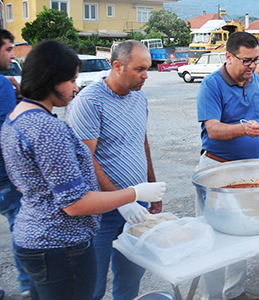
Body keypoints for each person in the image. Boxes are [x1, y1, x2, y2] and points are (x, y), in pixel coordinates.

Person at [0, 40, 165, 300]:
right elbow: (74, 203)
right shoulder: (48, 128)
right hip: (61, 242)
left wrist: (145, 188)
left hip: (36, 237)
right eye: (72, 80)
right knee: (90, 291)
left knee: (129, 276)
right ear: (50, 79)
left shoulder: (16, 119)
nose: (76, 88)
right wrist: (131, 195)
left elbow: (27, 184)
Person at [66, 40, 162, 300]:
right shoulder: (89, 102)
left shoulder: (139, 97)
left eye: (148, 69)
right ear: (117, 66)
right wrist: (121, 201)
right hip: (102, 209)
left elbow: (141, 141)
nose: (146, 76)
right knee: (92, 283)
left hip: (138, 201)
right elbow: (86, 158)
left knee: (131, 276)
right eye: (140, 69)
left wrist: (151, 187)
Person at [196, 31, 259, 300]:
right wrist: (242, 130)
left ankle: (234, 292)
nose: (251, 66)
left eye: (256, 60)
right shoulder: (211, 85)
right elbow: (212, 129)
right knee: (212, 238)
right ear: (228, 56)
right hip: (216, 169)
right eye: (246, 61)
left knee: (241, 232)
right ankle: (212, 297)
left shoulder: (256, 80)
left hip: (248, 168)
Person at [0, 29, 30, 297]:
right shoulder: (2, 85)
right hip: (5, 178)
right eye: (8, 49)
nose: (13, 54)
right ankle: (28, 289)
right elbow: (9, 133)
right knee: (21, 232)